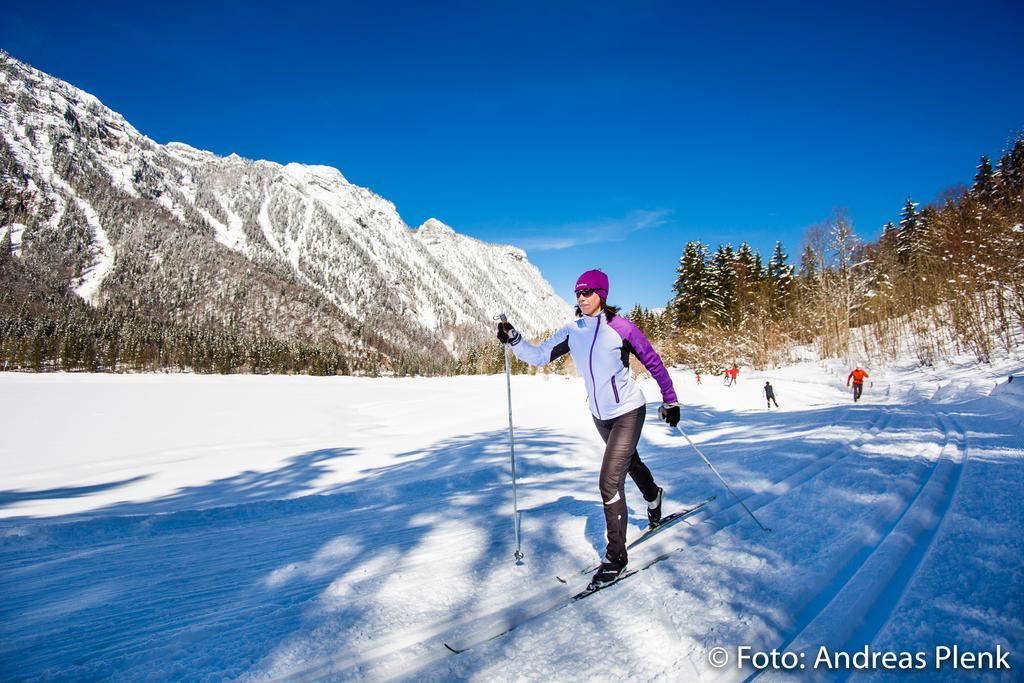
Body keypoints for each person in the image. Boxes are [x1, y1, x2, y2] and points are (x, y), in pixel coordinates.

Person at [496, 269, 680, 590]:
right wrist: (515, 340)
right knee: (629, 463)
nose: (581, 298)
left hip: (628, 411)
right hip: (600, 415)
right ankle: (654, 496)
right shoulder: (573, 330)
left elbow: (654, 363)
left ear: (602, 295)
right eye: (577, 293)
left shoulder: (622, 329)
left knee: (609, 482)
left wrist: (671, 400)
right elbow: (539, 356)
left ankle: (615, 558)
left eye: (587, 292)